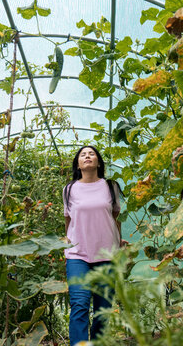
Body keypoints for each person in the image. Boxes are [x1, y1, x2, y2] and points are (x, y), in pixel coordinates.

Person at [62, 145, 126, 345]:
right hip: (77, 255)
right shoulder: (69, 189)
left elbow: (115, 217)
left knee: (102, 310)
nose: (87, 156)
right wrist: (66, 240)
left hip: (106, 254)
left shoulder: (110, 186)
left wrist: (118, 239)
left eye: (92, 154)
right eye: (83, 155)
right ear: (78, 164)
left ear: (98, 161)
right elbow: (68, 221)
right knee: (79, 305)